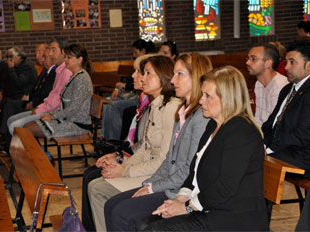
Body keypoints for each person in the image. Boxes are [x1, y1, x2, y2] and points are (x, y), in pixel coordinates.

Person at [141, 66, 269, 231]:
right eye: (202, 94)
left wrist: (186, 207)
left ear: (227, 98)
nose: (201, 100)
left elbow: (225, 188)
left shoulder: (241, 132)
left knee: (154, 229)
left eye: (208, 96)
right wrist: (180, 199)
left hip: (232, 218)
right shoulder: (212, 125)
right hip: (209, 208)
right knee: (145, 224)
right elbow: (193, 171)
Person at [104, 53, 213, 231]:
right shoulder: (182, 110)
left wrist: (153, 187)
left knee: (121, 213)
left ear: (196, 77)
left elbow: (189, 168)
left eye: (180, 74)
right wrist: (149, 184)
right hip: (168, 183)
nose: (172, 80)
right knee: (112, 205)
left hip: (180, 190)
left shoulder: (201, 116)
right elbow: (169, 157)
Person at [87, 55, 180, 231]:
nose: (141, 78)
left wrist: (126, 171)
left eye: (147, 73)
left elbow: (164, 160)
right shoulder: (157, 105)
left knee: (98, 189)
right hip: (148, 168)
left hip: (159, 175)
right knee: (95, 184)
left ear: (163, 77)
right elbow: (145, 149)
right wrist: (120, 166)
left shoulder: (170, 108)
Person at [81, 54, 155, 231]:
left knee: (95, 181)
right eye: (137, 71)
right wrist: (118, 155)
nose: (135, 76)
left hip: (147, 169)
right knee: (90, 176)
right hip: (135, 158)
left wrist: (123, 164)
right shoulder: (146, 101)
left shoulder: (158, 106)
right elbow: (142, 145)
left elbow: (151, 151)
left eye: (141, 72)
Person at [262, 41, 310, 178]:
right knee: (247, 154)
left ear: (309, 65)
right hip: (288, 149)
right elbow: (272, 123)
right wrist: (259, 142)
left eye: (292, 62)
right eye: (286, 62)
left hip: (308, 156)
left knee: (255, 162)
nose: (286, 67)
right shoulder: (287, 89)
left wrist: (270, 149)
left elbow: (304, 134)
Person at [5, 37, 72, 136]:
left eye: (53, 50)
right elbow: (51, 96)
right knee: (11, 120)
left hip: (57, 115)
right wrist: (39, 107)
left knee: (15, 126)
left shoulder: (66, 72)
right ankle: (30, 150)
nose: (50, 54)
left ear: (64, 52)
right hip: (47, 109)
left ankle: (38, 151)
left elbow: (58, 100)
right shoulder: (59, 71)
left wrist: (39, 109)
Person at [24, 43, 93, 138]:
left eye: (69, 57)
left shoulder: (82, 78)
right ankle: (39, 153)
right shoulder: (74, 76)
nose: (66, 60)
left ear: (79, 60)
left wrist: (52, 116)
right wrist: (51, 114)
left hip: (77, 124)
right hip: (67, 119)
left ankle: (40, 153)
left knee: (27, 130)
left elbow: (74, 109)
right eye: (65, 57)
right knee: (26, 126)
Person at [101, 39, 155, 140]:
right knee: (108, 101)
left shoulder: (147, 63)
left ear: (143, 51)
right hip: (136, 95)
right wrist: (118, 88)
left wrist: (124, 86)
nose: (134, 75)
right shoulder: (141, 63)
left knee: (113, 106)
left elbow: (131, 85)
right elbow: (130, 82)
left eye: (136, 52)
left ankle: (113, 139)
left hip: (135, 96)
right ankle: (107, 137)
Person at [7, 46, 57, 135]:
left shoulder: (54, 72)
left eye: (44, 56)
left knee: (14, 123)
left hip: (44, 109)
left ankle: (32, 148)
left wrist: (33, 103)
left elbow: (47, 95)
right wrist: (30, 99)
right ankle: (8, 142)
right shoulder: (45, 71)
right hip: (35, 102)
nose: (41, 58)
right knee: (10, 115)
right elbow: (36, 90)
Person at [0, 46, 37, 150]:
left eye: (11, 56)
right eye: (7, 56)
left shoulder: (27, 67)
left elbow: (18, 82)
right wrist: (1, 91)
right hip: (14, 95)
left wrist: (11, 69)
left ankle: (8, 142)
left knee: (9, 105)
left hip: (24, 98)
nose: (8, 59)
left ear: (20, 56)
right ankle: (4, 135)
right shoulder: (15, 66)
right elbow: (5, 81)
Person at [246, 43, 288, 126]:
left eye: (253, 59)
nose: (247, 62)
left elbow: (276, 124)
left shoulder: (280, 86)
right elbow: (258, 118)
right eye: (248, 58)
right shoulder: (258, 84)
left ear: (268, 63)